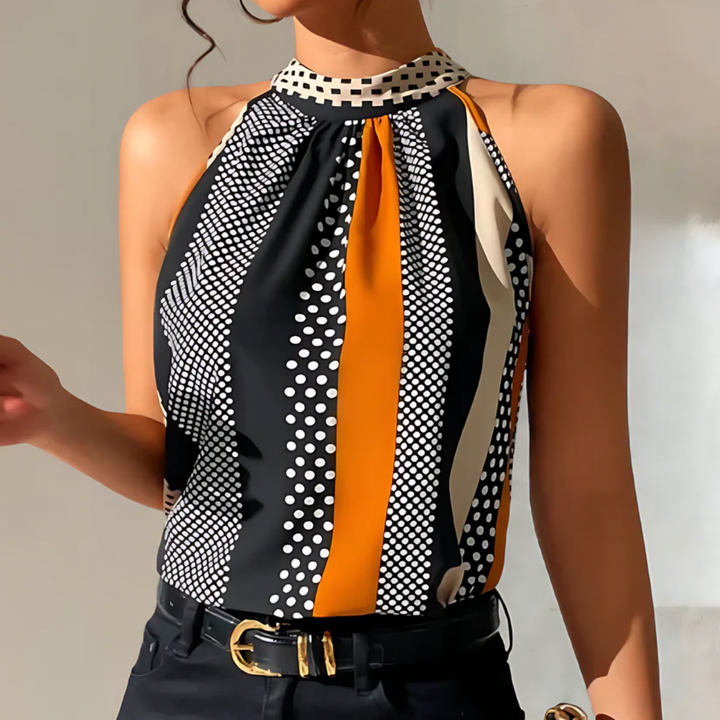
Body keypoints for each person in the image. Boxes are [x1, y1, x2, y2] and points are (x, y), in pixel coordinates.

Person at [0, 1, 664, 718]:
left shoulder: (549, 138)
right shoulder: (172, 141)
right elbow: (175, 463)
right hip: (192, 682)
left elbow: (587, 489)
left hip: (427, 689)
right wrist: (51, 415)